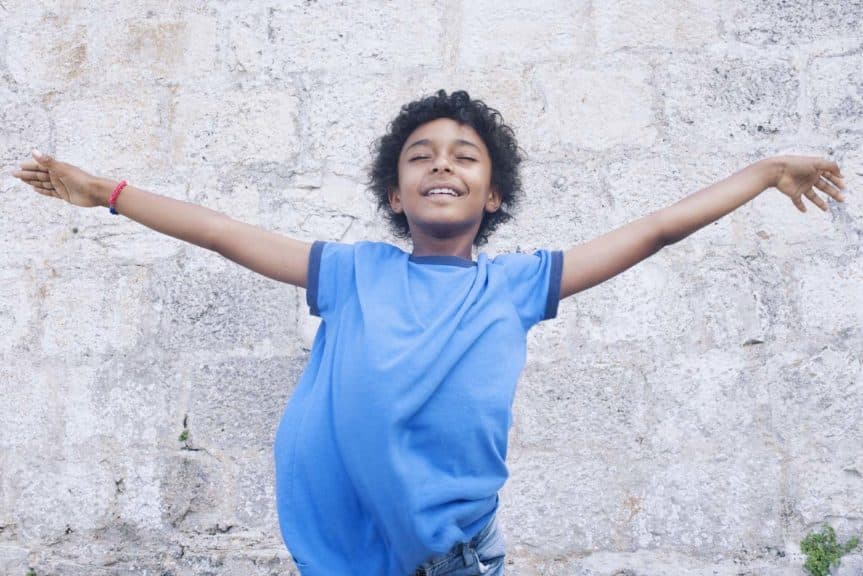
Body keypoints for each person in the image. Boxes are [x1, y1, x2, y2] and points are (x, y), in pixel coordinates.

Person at [12, 90, 847, 576]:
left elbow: (657, 228)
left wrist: (764, 172)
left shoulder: (518, 283)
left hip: (452, 558)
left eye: (463, 156)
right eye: (420, 155)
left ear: (491, 196)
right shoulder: (350, 271)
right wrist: (107, 190)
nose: (441, 164)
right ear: (394, 194)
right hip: (346, 555)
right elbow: (219, 229)